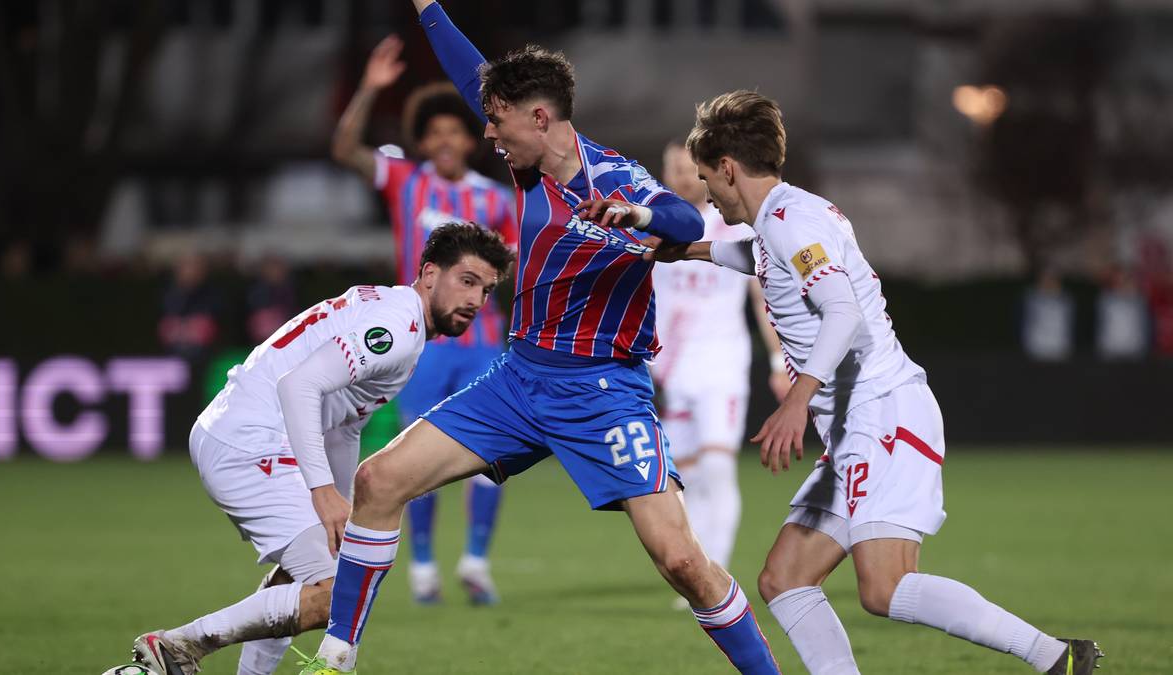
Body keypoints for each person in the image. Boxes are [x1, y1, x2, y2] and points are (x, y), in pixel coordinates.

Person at [294, 3, 782, 674]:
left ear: (539, 118)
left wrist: (637, 213)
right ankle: (335, 659)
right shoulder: (528, 169)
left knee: (681, 560)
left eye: (497, 121)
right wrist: (429, 8)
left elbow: (672, 215)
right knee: (378, 481)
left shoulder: (613, 177)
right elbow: (476, 79)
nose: (488, 132)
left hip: (603, 392)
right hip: (518, 380)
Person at [648, 89, 1103, 675]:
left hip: (883, 413)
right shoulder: (784, 217)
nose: (705, 190)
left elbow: (843, 312)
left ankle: (1056, 658)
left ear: (729, 169)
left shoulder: (790, 224)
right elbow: (761, 259)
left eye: (708, 177)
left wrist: (797, 401)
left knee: (884, 588)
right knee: (783, 579)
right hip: (857, 424)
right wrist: (687, 250)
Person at [131, 223, 514, 675]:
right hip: (250, 440)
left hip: (240, 431)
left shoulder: (394, 315)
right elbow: (300, 387)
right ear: (430, 274)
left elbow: (344, 424)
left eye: (486, 291)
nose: (475, 300)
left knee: (319, 565)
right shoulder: (396, 327)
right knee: (339, 591)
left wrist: (343, 507)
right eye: (467, 281)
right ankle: (178, 646)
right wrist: (321, 491)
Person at [332, 34, 519, 606]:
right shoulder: (406, 181)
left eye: (453, 130)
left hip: (484, 345)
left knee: (490, 455)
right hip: (423, 347)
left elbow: (513, 267)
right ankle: (421, 569)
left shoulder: (497, 200)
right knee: (419, 458)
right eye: (433, 132)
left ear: (469, 139)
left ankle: (477, 562)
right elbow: (345, 149)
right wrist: (369, 88)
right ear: (423, 140)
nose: (443, 139)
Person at [651, 141, 791, 580]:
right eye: (670, 168)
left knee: (717, 465)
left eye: (686, 168)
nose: (678, 176)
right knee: (684, 480)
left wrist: (777, 360)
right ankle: (698, 567)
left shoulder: (732, 228)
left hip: (722, 366)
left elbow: (762, 299)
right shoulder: (655, 230)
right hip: (672, 371)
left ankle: (717, 572)